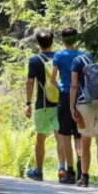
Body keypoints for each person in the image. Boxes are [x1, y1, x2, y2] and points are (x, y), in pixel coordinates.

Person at [69, 49, 98, 188]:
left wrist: (72, 108)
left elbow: (74, 85)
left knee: (85, 141)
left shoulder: (78, 60)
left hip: (85, 105)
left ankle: (84, 178)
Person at [24, 28, 61, 181]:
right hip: (61, 103)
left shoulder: (35, 60)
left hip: (43, 104)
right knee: (61, 138)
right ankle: (63, 169)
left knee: (41, 138)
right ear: (52, 41)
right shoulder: (59, 57)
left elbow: (30, 82)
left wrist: (28, 103)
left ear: (38, 43)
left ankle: (38, 172)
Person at [50, 26, 83, 184]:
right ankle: (81, 166)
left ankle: (69, 171)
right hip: (79, 97)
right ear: (76, 39)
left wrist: (61, 88)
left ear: (62, 40)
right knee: (78, 134)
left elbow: (52, 78)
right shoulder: (82, 55)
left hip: (64, 97)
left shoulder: (59, 55)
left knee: (64, 135)